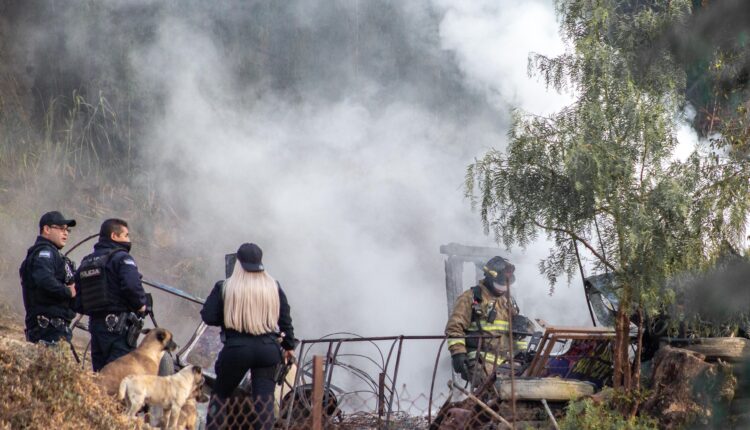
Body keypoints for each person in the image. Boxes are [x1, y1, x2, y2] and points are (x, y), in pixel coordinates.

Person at [201, 243, 297, 430]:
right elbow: (285, 319)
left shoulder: (225, 287)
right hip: (268, 349)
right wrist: (289, 345)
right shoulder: (273, 287)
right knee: (264, 403)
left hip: (237, 349)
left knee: (220, 396)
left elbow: (208, 316)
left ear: (238, 262)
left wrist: (229, 317)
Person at [75, 218, 147, 371]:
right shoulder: (122, 258)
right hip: (118, 330)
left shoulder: (87, 261)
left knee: (100, 377)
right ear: (114, 236)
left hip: (95, 326)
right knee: (117, 378)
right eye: (126, 235)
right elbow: (131, 285)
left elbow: (77, 298)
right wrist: (141, 305)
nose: (129, 240)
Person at [445, 256, 520, 385]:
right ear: (489, 279)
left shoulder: (507, 301)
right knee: (490, 396)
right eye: (499, 285)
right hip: (480, 360)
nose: (501, 289)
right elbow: (454, 327)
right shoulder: (470, 297)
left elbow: (518, 332)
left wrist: (524, 329)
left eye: (505, 286)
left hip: (505, 361)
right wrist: (458, 353)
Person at [19, 211, 77, 344]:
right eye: (61, 228)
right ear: (46, 229)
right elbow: (44, 280)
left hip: (54, 329)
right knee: (52, 365)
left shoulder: (53, 254)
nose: (66, 233)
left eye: (67, 230)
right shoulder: (45, 253)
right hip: (48, 329)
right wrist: (68, 291)